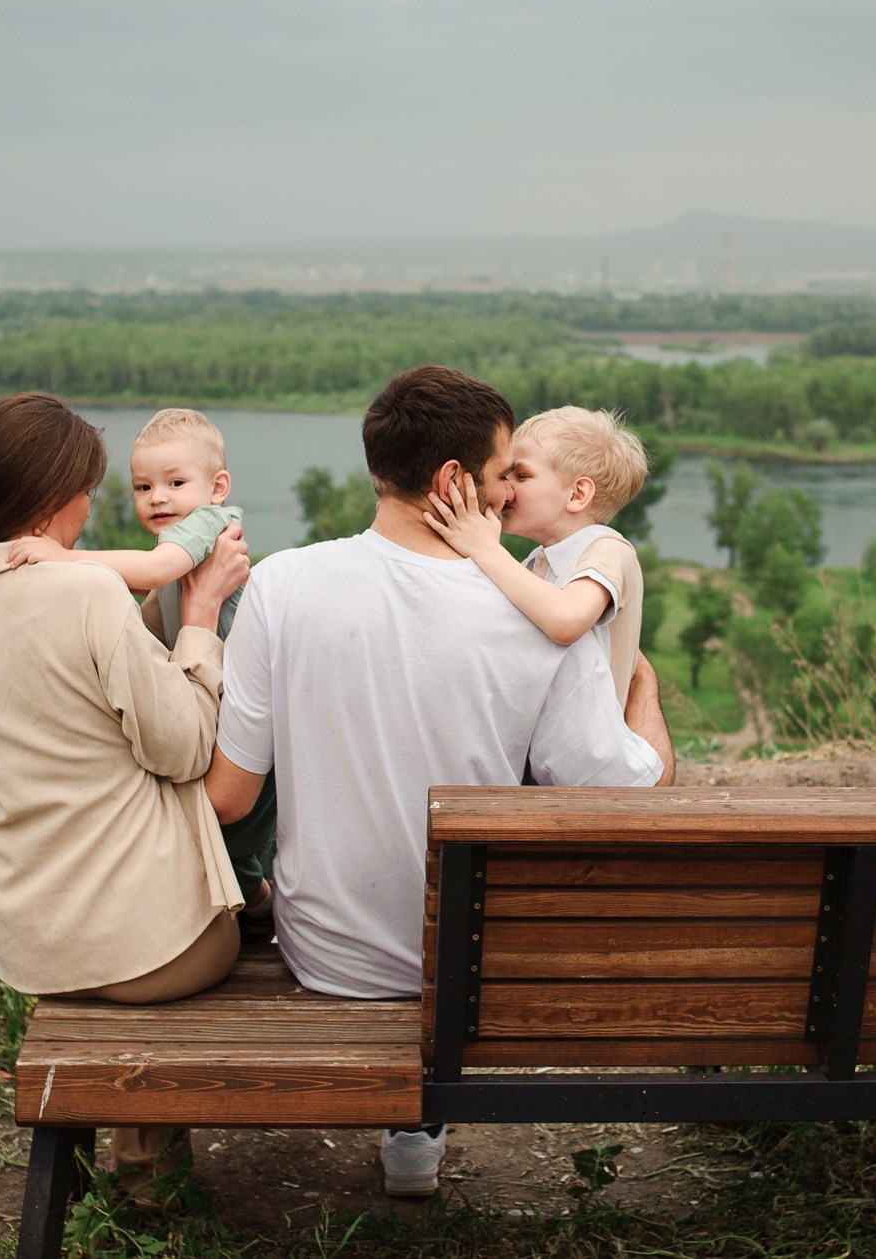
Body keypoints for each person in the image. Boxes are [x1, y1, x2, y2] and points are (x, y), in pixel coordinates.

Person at [202, 365, 675, 1197]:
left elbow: (232, 798)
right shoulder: (541, 615)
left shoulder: (282, 585)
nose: (503, 500)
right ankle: (416, 1125)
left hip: (328, 955)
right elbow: (628, 796)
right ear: (455, 480)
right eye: (502, 478)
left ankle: (411, 1122)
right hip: (471, 961)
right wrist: (646, 699)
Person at [0, 390, 252, 1198]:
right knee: (252, 909)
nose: (91, 506)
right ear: (52, 497)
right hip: (157, 947)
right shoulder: (86, 593)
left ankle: (126, 1163)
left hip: (37, 942)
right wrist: (204, 613)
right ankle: (148, 1170)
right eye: (87, 490)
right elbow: (182, 747)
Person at [6, 406, 277, 931]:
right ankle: (259, 914)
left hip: (249, 719)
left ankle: (262, 912)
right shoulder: (176, 545)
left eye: (176, 482)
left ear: (218, 487)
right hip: (223, 713)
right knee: (228, 852)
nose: (158, 498)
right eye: (143, 486)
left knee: (226, 834)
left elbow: (154, 572)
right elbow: (150, 621)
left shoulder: (208, 526)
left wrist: (60, 558)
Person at [423, 405, 649, 707]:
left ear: (577, 495)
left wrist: (485, 548)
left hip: (588, 749)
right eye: (505, 475)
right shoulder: (536, 562)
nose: (506, 487)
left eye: (522, 475)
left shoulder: (607, 548)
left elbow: (566, 620)